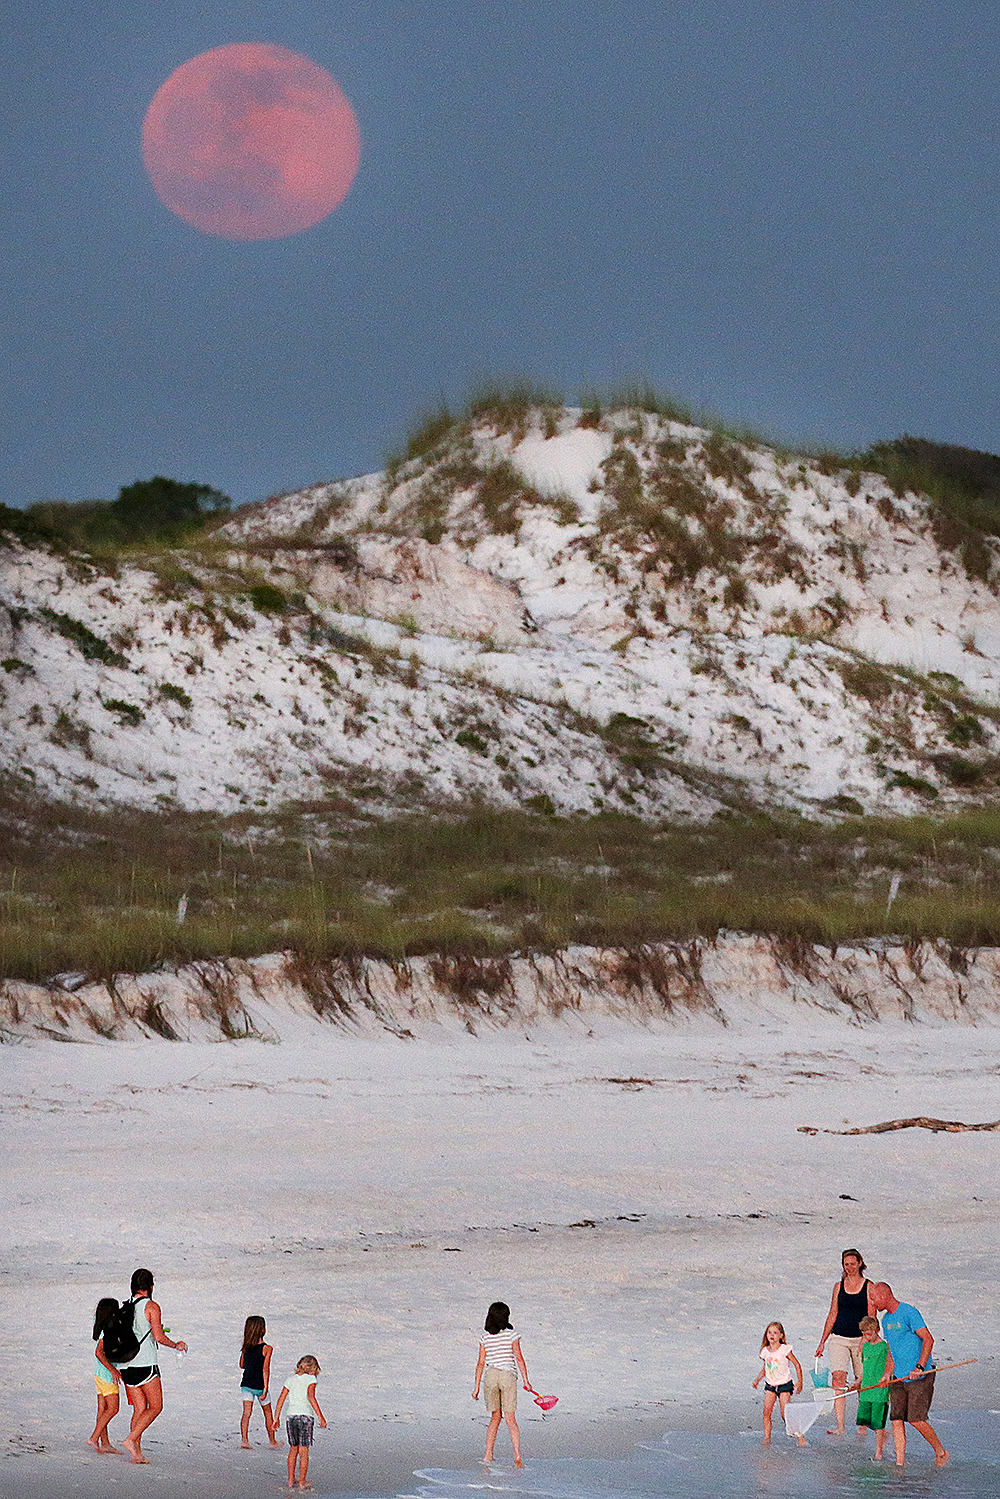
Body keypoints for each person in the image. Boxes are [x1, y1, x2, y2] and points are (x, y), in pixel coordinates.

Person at [111, 1268, 188, 1465]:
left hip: (126, 1365)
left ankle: (136, 1453)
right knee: (155, 1407)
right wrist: (176, 1344)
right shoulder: (152, 1306)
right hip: (145, 1365)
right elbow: (158, 1337)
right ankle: (130, 1439)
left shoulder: (126, 1306)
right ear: (150, 1286)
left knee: (139, 1408)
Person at [870, 1282, 949, 1467]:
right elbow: (891, 1351)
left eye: (873, 1298)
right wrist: (886, 1374)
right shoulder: (885, 1320)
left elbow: (928, 1339)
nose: (872, 1303)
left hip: (919, 1377)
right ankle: (900, 1462)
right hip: (898, 1377)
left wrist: (919, 1367)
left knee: (916, 1419)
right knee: (896, 1419)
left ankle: (941, 1452)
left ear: (884, 1295)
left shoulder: (909, 1312)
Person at [815, 1248, 876, 1435]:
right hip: (839, 1337)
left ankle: (863, 1424)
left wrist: (867, 1340)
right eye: (846, 1264)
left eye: (852, 1263)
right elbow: (833, 1313)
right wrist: (822, 1341)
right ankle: (840, 1425)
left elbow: (871, 1316)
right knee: (838, 1377)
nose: (849, 1267)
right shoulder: (838, 1286)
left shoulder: (868, 1286)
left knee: (862, 1380)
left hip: (860, 1338)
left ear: (860, 1263)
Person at [472, 1301, 530, 1467]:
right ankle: (517, 1457)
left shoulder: (485, 1338)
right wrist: (526, 1381)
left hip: (490, 1376)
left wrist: (476, 1387)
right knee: (510, 1418)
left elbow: (481, 1363)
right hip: (507, 1375)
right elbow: (519, 1358)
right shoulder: (512, 1335)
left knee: (495, 1417)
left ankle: (488, 1455)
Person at [274, 1355, 326, 1489]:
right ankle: (302, 1481)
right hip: (306, 1417)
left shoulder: (290, 1379)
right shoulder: (311, 1379)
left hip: (291, 1416)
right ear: (313, 1368)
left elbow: (281, 1399)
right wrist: (321, 1416)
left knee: (293, 1449)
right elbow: (311, 1397)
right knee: (304, 1451)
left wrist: (276, 1417)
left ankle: (291, 1480)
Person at [752, 1321, 807, 1447]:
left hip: (784, 1385)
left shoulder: (784, 1350)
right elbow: (765, 1368)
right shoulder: (765, 1351)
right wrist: (757, 1380)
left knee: (784, 1414)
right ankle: (767, 1437)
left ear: (781, 1336)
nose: (772, 1335)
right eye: (769, 1333)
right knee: (766, 1412)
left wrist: (800, 1382)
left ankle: (800, 1437)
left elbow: (797, 1364)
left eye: (775, 1333)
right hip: (770, 1385)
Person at [849, 1315, 889, 1460]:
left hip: (879, 1390)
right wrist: (857, 1382)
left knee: (878, 1423)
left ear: (877, 1330)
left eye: (869, 1333)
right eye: (864, 1334)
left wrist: (886, 1379)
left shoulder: (884, 1346)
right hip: (866, 1389)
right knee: (864, 1421)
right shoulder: (865, 1346)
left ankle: (878, 1451)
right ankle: (883, 1435)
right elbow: (865, 1369)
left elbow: (890, 1365)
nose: (866, 1336)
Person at [239, 1315, 278, 1448]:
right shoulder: (267, 1348)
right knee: (267, 1412)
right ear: (263, 1330)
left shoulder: (246, 1347)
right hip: (260, 1385)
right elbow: (265, 1369)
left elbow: (241, 1364)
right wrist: (266, 1388)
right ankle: (272, 1441)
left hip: (246, 1384)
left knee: (246, 1413)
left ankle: (245, 1440)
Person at [89, 1298, 121, 1453]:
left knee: (102, 1410)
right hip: (107, 1375)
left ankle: (105, 1443)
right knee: (113, 1408)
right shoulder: (107, 1332)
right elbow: (98, 1353)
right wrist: (113, 1370)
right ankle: (94, 1438)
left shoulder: (103, 1330)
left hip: (99, 1374)